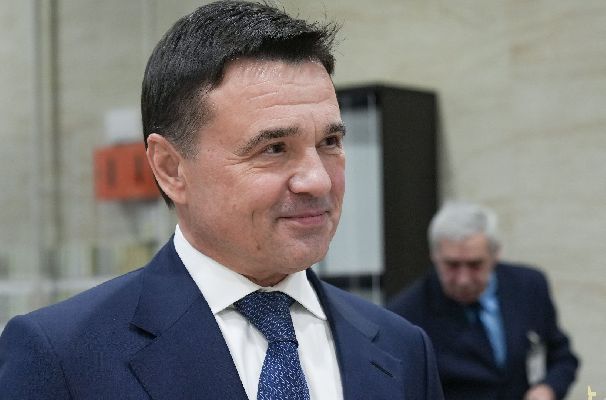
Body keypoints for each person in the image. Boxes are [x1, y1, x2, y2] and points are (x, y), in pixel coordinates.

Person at [0, 2, 444, 399]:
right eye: (274, 149)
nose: (317, 180)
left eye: (329, 142)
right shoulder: (64, 357)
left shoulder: (402, 348)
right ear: (171, 169)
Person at [388, 201, 579, 400]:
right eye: (452, 265)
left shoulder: (528, 285)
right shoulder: (405, 315)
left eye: (475, 265)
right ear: (434, 256)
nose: (463, 279)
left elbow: (562, 358)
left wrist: (547, 389)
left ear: (495, 254)